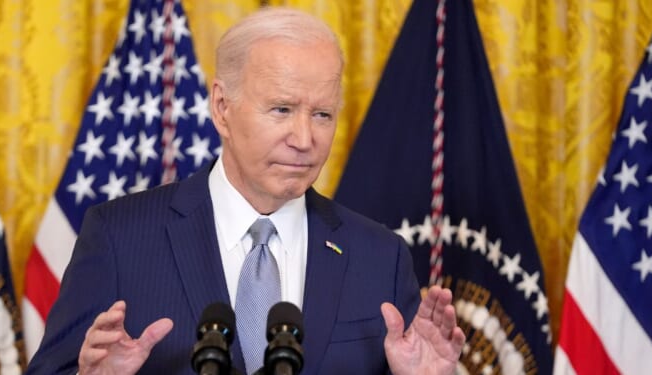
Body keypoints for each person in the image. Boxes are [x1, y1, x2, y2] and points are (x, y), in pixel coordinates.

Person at [27, 7, 465, 375]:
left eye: (322, 115)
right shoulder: (119, 238)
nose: (304, 138)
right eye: (282, 109)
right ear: (222, 108)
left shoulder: (380, 256)